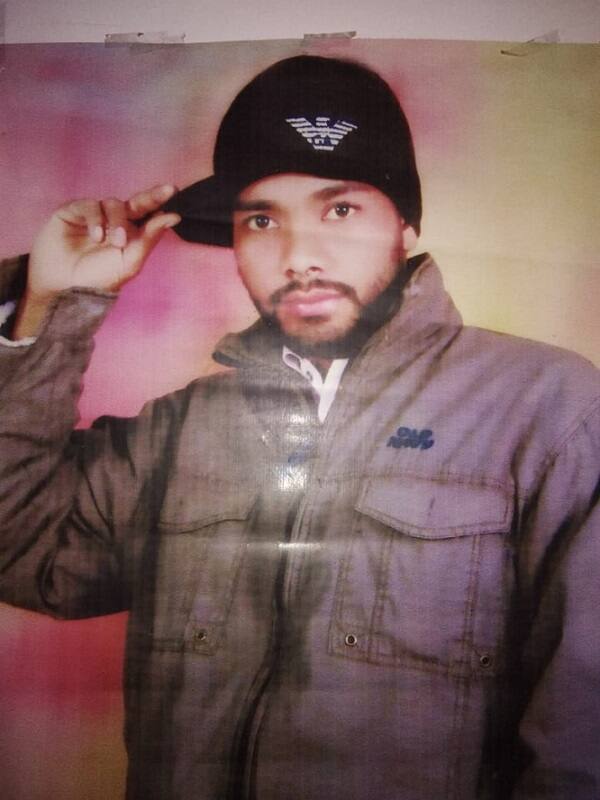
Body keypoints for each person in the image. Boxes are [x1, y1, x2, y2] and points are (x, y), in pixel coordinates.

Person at [0, 54, 599, 800]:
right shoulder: (180, 428)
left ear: (405, 222)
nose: (300, 256)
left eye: (339, 210)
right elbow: (23, 547)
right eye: (262, 219)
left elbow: (583, 741)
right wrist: (50, 304)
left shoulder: (551, 409)